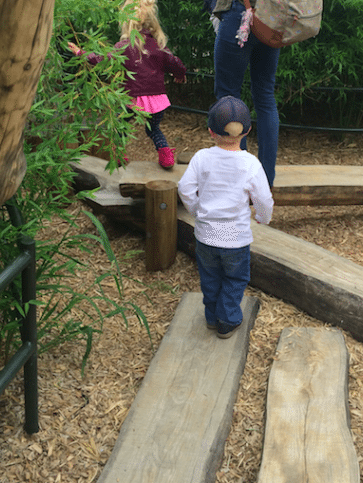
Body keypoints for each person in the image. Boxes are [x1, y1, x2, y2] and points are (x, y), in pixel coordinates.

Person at [178, 96, 273, 339]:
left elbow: (185, 188)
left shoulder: (201, 157)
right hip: (236, 239)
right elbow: (263, 198)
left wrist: (197, 210)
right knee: (235, 278)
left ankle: (211, 317)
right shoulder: (250, 163)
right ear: (248, 131)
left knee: (210, 277)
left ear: (211, 131)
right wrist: (263, 217)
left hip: (206, 236)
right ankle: (227, 321)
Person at [68, 0, 186, 169]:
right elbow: (175, 62)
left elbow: (103, 59)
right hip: (156, 99)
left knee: (120, 126)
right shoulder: (158, 46)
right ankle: (166, 155)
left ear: (126, 23)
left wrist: (81, 53)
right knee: (153, 129)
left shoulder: (124, 46)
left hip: (133, 98)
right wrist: (179, 74)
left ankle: (118, 155)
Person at [211, 0, 280, 186]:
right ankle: (265, 180)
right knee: (265, 97)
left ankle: (236, 177)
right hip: (271, 18)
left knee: (228, 96)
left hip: (240, 14)